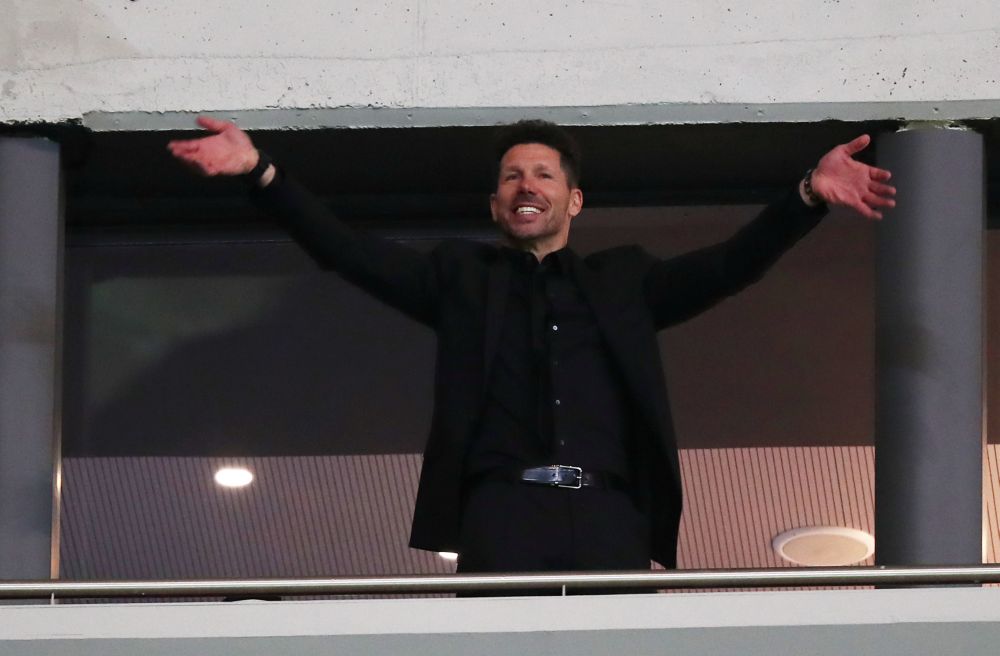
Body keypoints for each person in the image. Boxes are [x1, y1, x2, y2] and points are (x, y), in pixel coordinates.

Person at [168, 117, 894, 583]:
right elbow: (346, 251)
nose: (527, 184)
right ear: (496, 206)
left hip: (610, 514)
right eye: (513, 175)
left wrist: (807, 194)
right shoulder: (459, 278)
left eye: (544, 174)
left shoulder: (626, 282)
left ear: (573, 201)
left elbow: (732, 264)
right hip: (501, 514)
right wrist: (261, 171)